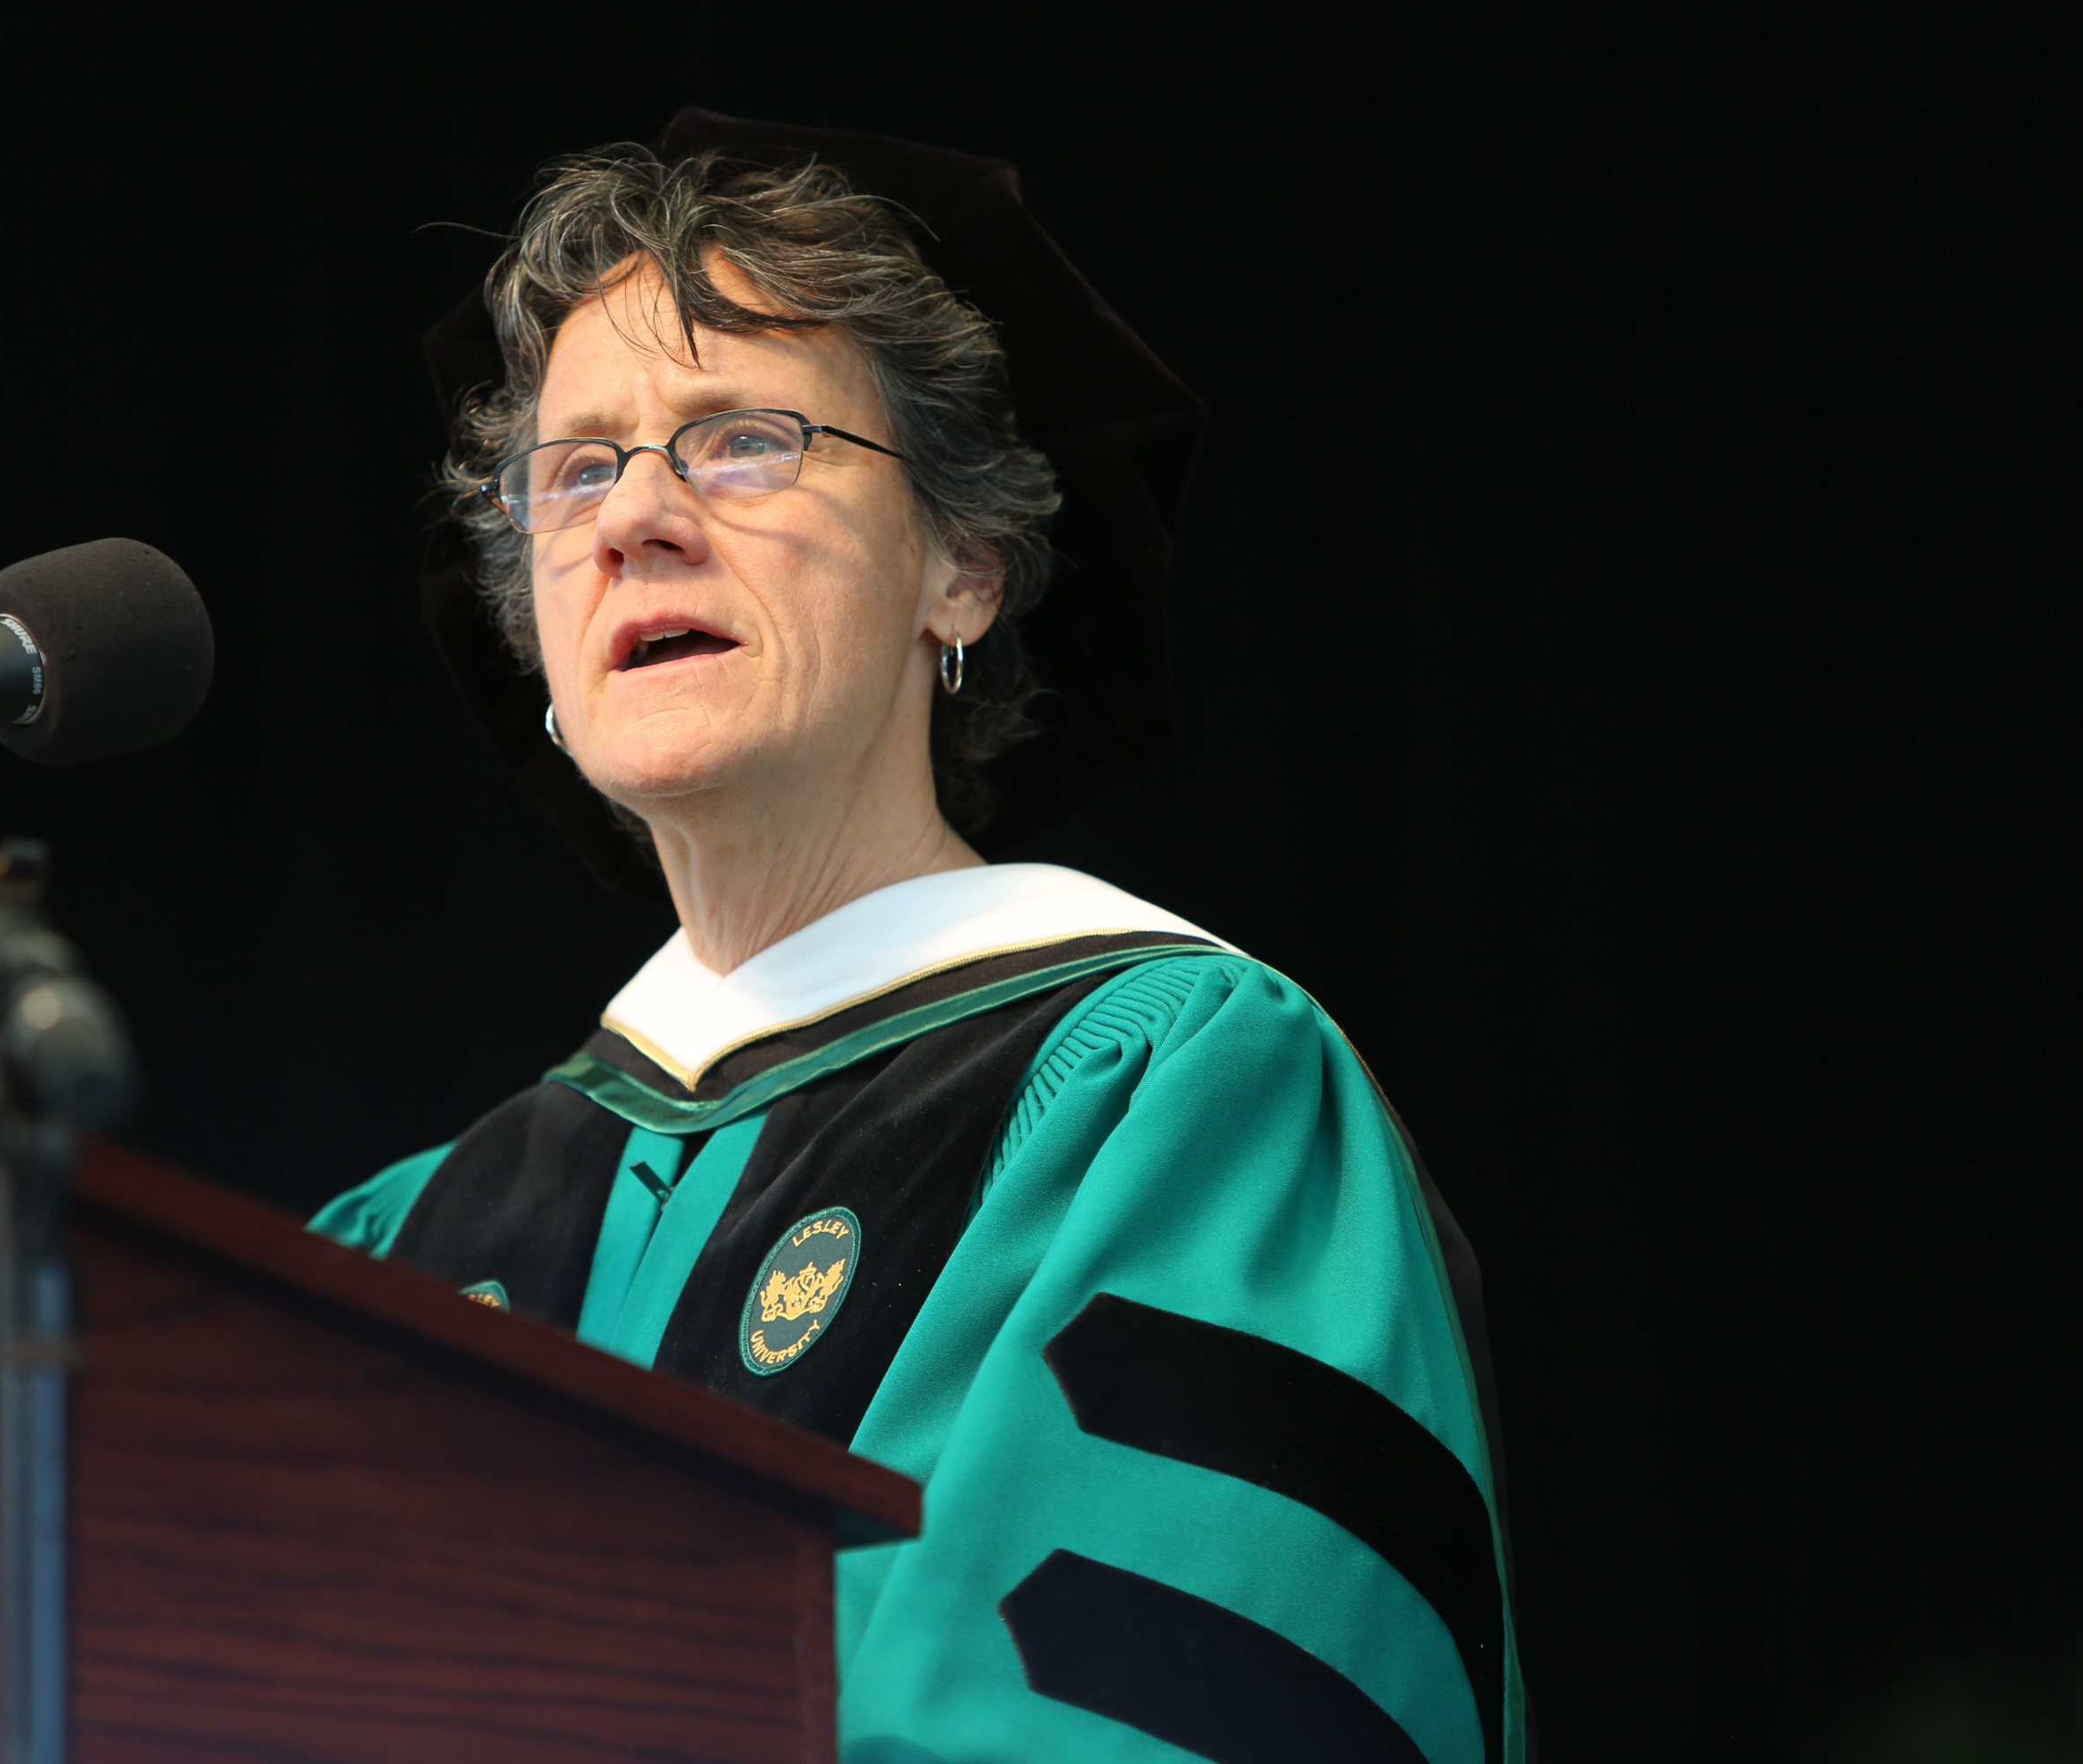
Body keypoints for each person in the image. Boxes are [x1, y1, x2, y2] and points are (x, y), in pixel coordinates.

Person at [315, 110, 1527, 1764]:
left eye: (741, 439)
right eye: (578, 467)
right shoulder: (401, 1243)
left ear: (964, 566)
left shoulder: (1176, 1097)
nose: (635, 520)